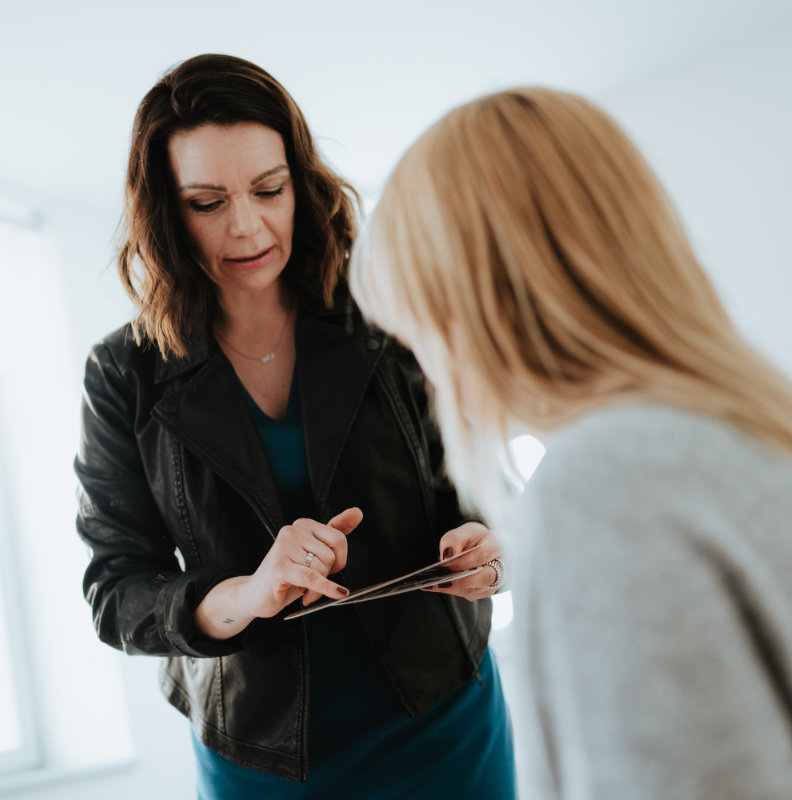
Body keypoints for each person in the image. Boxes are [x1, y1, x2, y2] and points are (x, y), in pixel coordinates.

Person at [74, 54, 517, 799]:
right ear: (165, 211)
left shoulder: (391, 314)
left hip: (440, 721)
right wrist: (246, 594)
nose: (248, 227)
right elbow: (117, 593)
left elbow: (486, 489)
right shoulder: (124, 372)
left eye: (268, 190)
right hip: (259, 753)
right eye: (207, 202)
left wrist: (489, 547)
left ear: (300, 186)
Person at [350, 86, 792, 800]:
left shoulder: (608, 484)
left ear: (463, 306)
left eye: (414, 336)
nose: (427, 371)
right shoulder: (752, 429)